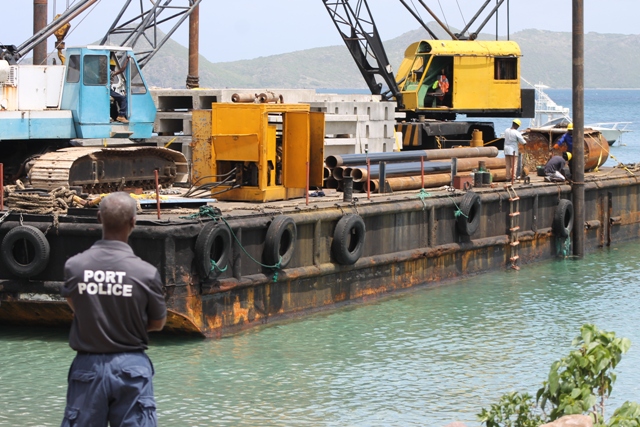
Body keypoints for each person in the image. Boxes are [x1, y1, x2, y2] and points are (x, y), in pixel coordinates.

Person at [60, 192, 166, 427]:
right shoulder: (146, 273)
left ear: (99, 218)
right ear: (133, 222)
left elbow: (76, 307)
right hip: (132, 367)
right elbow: (158, 323)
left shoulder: (75, 267)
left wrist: (96, 318)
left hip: (88, 366)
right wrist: (129, 325)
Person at [504, 119, 527, 184]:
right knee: (514, 165)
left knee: (508, 165)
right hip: (513, 150)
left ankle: (507, 178)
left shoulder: (506, 130)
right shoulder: (516, 132)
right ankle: (513, 178)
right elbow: (522, 141)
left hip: (506, 149)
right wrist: (525, 142)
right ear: (517, 125)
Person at [110, 56, 130, 123]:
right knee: (122, 98)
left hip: (108, 90)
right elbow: (122, 70)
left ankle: (115, 116)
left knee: (117, 99)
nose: (113, 68)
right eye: (113, 67)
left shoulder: (103, 71)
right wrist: (126, 60)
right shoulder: (110, 72)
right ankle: (121, 116)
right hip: (108, 90)